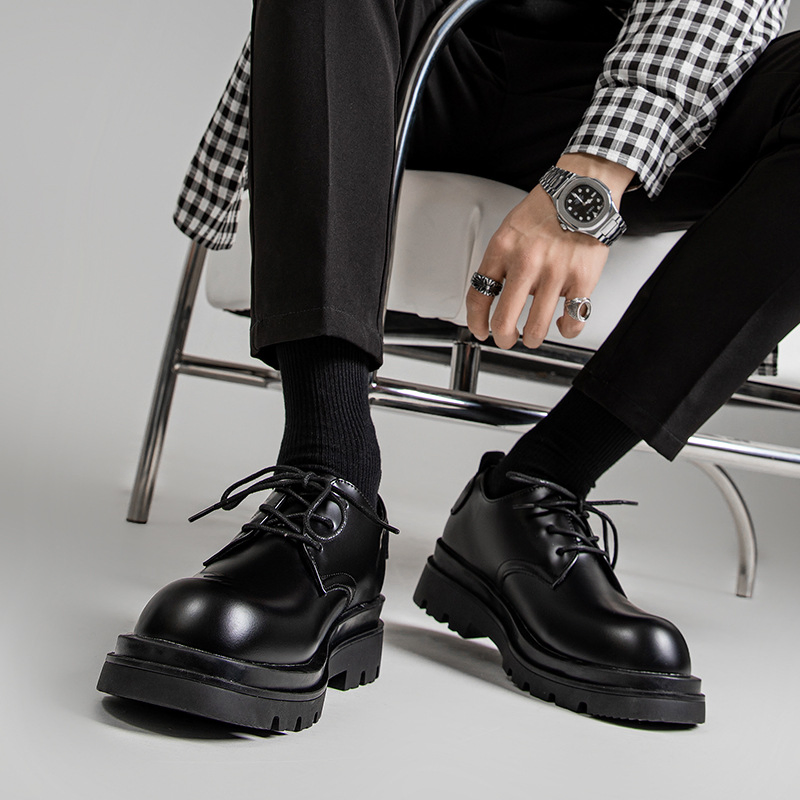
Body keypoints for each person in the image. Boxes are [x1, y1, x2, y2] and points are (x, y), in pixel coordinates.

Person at [98, 0, 800, 729]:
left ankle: (537, 493)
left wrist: (586, 187)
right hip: (423, 53)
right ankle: (329, 479)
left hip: (646, 79)